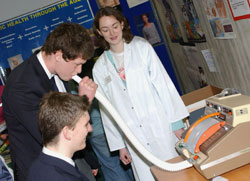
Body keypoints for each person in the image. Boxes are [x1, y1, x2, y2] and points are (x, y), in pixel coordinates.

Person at [92, 7, 189, 180]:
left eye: (114, 26)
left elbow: (164, 86)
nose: (112, 33)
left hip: (160, 124)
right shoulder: (99, 68)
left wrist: (176, 124)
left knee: (176, 173)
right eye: (105, 30)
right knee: (147, 175)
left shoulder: (141, 48)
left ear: (122, 23)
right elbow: (107, 110)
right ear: (99, 32)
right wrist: (119, 145)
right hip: (133, 135)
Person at [2, 22, 98, 181]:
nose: (79, 71)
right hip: (43, 172)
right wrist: (84, 101)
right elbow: (53, 135)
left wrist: (88, 160)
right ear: (59, 55)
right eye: (77, 64)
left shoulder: (60, 73)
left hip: (70, 160)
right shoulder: (21, 86)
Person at [79, 57, 134, 181]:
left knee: (111, 167)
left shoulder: (78, 87)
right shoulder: (103, 79)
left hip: (96, 132)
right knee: (128, 162)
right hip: (115, 128)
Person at [27, 92, 92, 181]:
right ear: (67, 132)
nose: (90, 129)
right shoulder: (63, 177)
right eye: (86, 124)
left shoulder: (37, 167)